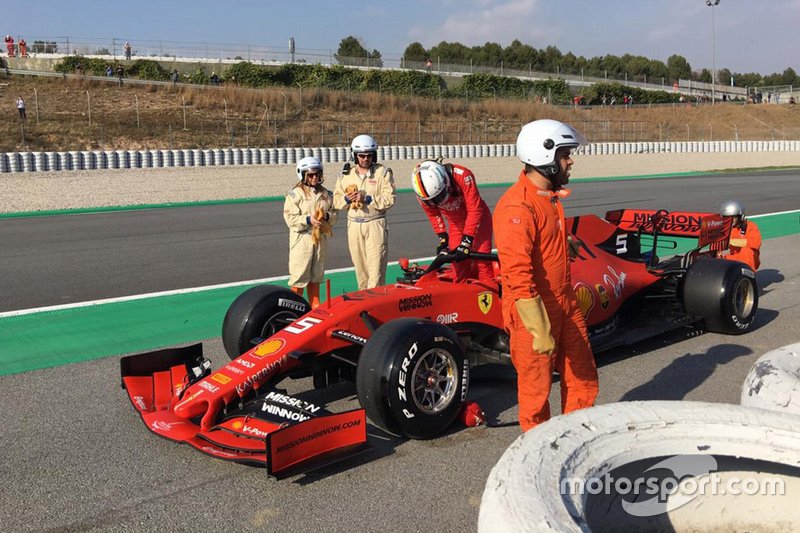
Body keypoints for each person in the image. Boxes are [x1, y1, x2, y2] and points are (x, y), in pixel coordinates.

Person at [493, 119, 599, 431]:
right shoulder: (517, 207)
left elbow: (541, 246)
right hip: (533, 310)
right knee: (536, 392)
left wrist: (563, 246)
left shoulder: (547, 198)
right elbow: (517, 274)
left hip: (564, 302)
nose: (571, 161)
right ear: (546, 156)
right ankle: (537, 452)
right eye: (566, 154)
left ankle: (575, 438)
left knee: (583, 376)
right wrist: (539, 327)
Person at [411, 160, 494, 283]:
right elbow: (433, 214)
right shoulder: (423, 194)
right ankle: (461, 295)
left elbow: (475, 210)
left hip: (479, 221)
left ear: (445, 181)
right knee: (457, 263)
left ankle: (488, 292)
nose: (436, 202)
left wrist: (466, 242)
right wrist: (443, 237)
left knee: (482, 261)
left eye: (438, 197)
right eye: (432, 200)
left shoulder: (463, 176)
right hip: (456, 224)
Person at [333, 134, 396, 290]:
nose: (365, 159)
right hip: (354, 226)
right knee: (361, 273)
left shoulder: (383, 173)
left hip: (375, 224)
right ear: (355, 156)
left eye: (369, 155)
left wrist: (367, 198)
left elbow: (390, 199)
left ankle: (376, 307)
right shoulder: (345, 175)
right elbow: (336, 200)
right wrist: (347, 199)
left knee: (376, 273)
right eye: (361, 155)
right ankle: (363, 308)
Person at [283, 156, 336, 308]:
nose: (314, 177)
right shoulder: (295, 194)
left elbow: (334, 216)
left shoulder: (326, 194)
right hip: (302, 239)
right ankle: (293, 308)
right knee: (299, 275)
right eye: (310, 174)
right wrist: (308, 220)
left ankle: (315, 305)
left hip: (320, 239)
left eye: (317, 174)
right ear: (303, 174)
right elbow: (290, 218)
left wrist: (326, 216)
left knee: (316, 274)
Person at [719, 200, 761, 271]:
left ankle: (749, 277)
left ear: (740, 217)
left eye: (733, 217)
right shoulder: (723, 229)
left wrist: (731, 242)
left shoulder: (750, 226)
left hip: (750, 259)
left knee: (747, 251)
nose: (730, 220)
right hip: (735, 258)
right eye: (727, 218)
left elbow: (756, 243)